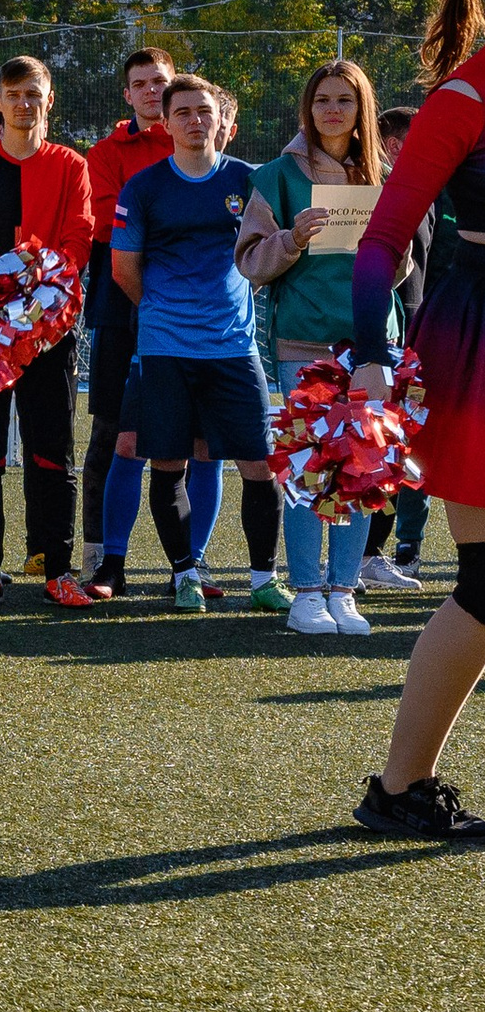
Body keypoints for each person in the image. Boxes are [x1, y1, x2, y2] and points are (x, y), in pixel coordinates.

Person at [348, 0, 485, 835]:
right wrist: (368, 353)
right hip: (481, 342)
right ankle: (399, 788)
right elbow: (380, 241)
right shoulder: (465, 95)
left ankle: (400, 789)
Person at [109, 74, 288, 617]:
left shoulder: (251, 180)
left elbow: (272, 252)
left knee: (260, 463)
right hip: (165, 349)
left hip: (235, 348)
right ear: (165, 122)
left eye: (203, 110)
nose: (194, 120)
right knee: (168, 464)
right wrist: (170, 314)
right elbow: (124, 271)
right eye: (182, 111)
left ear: (221, 119)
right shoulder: (143, 188)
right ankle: (184, 575)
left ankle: (263, 578)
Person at [237, 60, 395, 631]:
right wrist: (291, 239)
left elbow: (400, 269)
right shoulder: (277, 175)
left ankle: (343, 589)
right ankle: (306, 590)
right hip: (301, 342)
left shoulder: (383, 172)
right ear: (308, 108)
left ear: (361, 110)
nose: (333, 110)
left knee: (361, 467)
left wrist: (389, 255)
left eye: (345, 101)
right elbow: (251, 262)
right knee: (309, 470)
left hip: (370, 344)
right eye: (323, 99)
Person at [0, 56, 98, 607]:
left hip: (49, 333)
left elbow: (80, 238)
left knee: (52, 449)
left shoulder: (70, 166)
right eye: (13, 94)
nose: (23, 103)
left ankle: (57, 567)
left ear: (48, 99)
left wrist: (40, 291)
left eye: (33, 93)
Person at [81, 49, 177, 596]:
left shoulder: (195, 141)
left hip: (190, 305)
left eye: (158, 82)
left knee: (190, 437)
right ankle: (100, 554)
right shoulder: (105, 151)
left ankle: (187, 564)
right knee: (110, 432)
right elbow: (106, 226)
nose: (149, 92)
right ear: (127, 95)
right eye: (139, 84)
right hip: (120, 303)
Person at [364, 105, 435, 590]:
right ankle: (361, 555)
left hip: (432, 338)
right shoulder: (380, 194)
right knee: (372, 450)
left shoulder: (439, 193)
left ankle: (397, 547)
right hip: (386, 341)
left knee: (414, 449)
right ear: (394, 146)